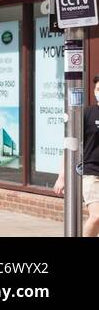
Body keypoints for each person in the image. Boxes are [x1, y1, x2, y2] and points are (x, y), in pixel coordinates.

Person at [54, 75, 99, 237]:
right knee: (96, 217)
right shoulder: (88, 113)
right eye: (97, 89)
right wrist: (62, 176)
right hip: (92, 173)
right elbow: (70, 145)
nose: (98, 92)